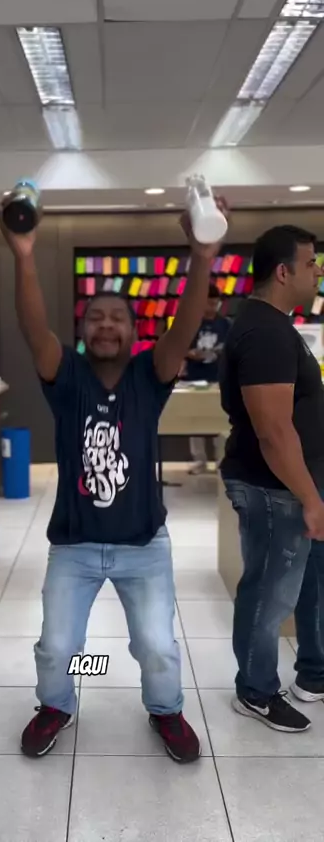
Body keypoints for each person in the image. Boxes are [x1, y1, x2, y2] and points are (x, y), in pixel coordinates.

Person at [0, 199, 228, 764]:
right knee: (57, 646)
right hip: (74, 546)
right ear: (82, 330)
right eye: (96, 317)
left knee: (156, 646)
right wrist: (24, 256)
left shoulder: (151, 375)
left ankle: (165, 710)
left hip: (143, 545)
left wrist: (202, 256)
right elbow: (33, 329)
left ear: (134, 329)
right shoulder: (66, 376)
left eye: (117, 318)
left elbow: (186, 326)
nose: (106, 324)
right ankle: (55, 705)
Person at [219, 224, 324, 734]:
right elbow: (273, 431)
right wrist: (309, 496)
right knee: (269, 593)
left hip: (287, 484)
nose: (317, 272)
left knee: (295, 584)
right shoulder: (265, 332)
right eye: (311, 263)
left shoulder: (274, 325)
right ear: (283, 272)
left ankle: (307, 675)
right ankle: (256, 691)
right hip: (273, 487)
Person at [185, 283, 230, 473]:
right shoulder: (191, 323)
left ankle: (222, 460)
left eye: (215, 303)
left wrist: (221, 352)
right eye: (209, 303)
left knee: (220, 419)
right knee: (195, 420)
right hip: (195, 378)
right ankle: (199, 460)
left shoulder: (225, 324)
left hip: (218, 378)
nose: (212, 307)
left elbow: (232, 348)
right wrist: (191, 353)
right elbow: (182, 346)